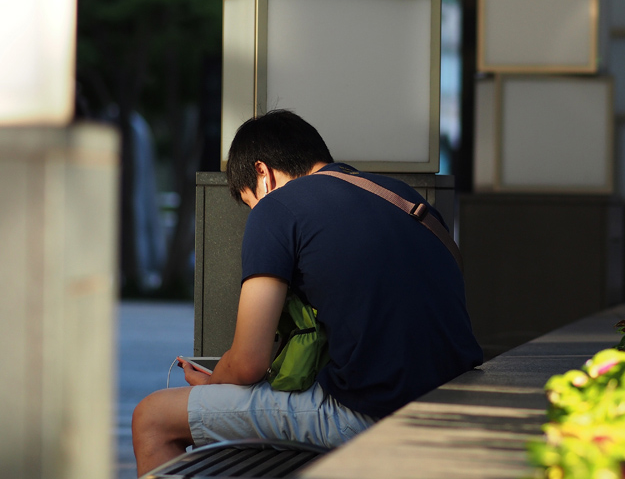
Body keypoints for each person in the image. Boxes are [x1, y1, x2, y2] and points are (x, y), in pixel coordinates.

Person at [132, 110, 482, 475]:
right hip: (455, 401)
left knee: (152, 418)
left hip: (374, 413)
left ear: (262, 174)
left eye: (250, 201)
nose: (256, 211)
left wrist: (216, 382)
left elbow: (249, 361)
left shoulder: (276, 209)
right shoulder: (400, 197)